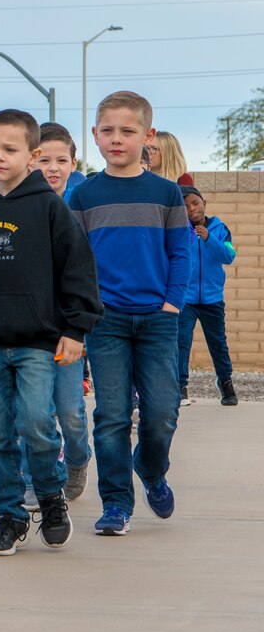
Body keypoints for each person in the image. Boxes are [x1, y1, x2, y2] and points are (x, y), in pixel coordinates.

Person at [0, 109, 102, 555]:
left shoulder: (49, 208)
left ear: (31, 156)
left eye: (10, 149)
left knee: (35, 424)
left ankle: (49, 496)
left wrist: (75, 329)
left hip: (37, 342)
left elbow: (78, 272)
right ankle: (9, 516)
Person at [69, 91, 190, 536]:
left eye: (128, 131)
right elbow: (73, 262)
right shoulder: (83, 196)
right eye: (107, 131)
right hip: (107, 322)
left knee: (162, 413)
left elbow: (181, 253)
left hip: (159, 319)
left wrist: (172, 303)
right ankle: (116, 503)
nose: (117, 139)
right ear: (95, 136)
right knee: (112, 416)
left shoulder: (166, 192)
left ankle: (151, 469)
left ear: (148, 135)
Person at [33, 123, 93, 500]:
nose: (52, 168)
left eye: (61, 160)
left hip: (68, 329)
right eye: (43, 159)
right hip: (29, 329)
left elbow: (87, 276)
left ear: (73, 164)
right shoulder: (20, 206)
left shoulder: (80, 209)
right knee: (34, 414)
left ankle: (77, 458)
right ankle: (44, 476)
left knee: (70, 411)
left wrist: (80, 327)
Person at [178, 185, 237, 407]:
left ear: (204, 203)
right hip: (186, 299)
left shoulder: (220, 228)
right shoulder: (179, 230)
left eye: (195, 203)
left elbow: (228, 256)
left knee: (218, 343)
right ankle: (180, 387)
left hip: (213, 299)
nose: (192, 209)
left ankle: (225, 382)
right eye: (185, 207)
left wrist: (209, 237)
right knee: (181, 342)